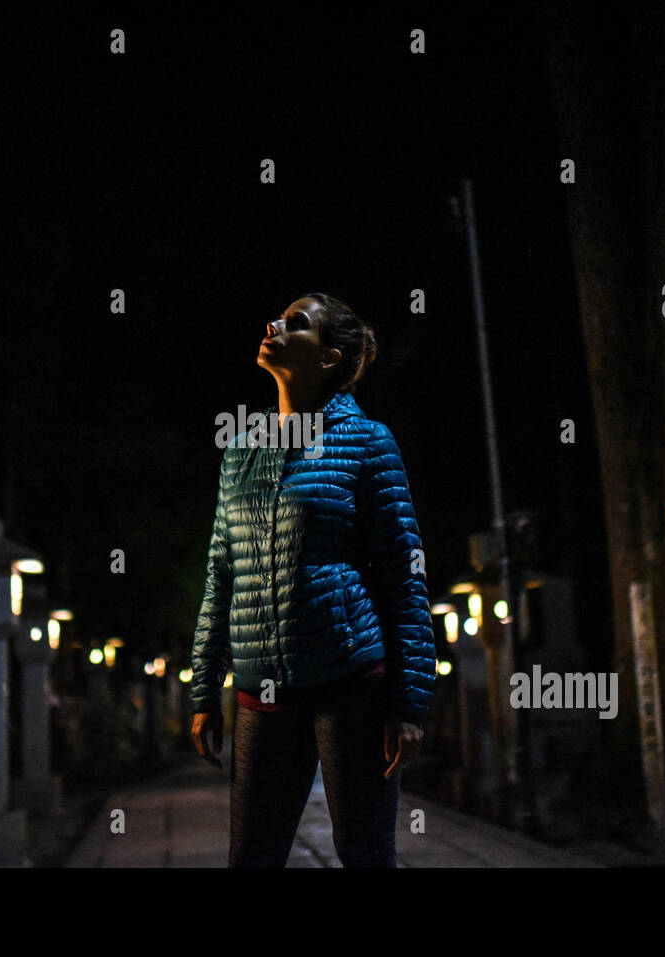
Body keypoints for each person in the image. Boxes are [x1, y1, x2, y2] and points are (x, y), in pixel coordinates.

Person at [189, 292, 436, 868]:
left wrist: (409, 702)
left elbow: (404, 573)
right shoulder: (242, 450)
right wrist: (205, 687)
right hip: (263, 692)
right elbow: (221, 573)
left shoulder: (368, 442)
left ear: (328, 358)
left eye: (296, 323)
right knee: (251, 857)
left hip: (351, 684)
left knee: (365, 855)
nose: (274, 324)